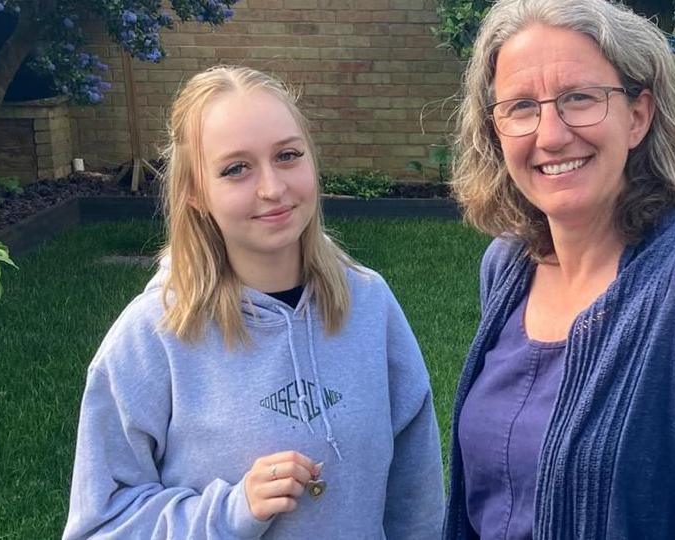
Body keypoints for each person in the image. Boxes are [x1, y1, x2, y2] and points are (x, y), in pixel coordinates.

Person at [443, 1, 675, 538]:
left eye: (579, 98)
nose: (551, 134)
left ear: (638, 115)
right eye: (520, 107)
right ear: (495, 130)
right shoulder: (507, 267)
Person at [63, 65, 444, 539]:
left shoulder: (369, 304)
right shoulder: (152, 335)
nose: (272, 188)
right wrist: (231, 510)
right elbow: (100, 524)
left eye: (287, 155)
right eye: (235, 169)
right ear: (195, 193)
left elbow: (418, 498)